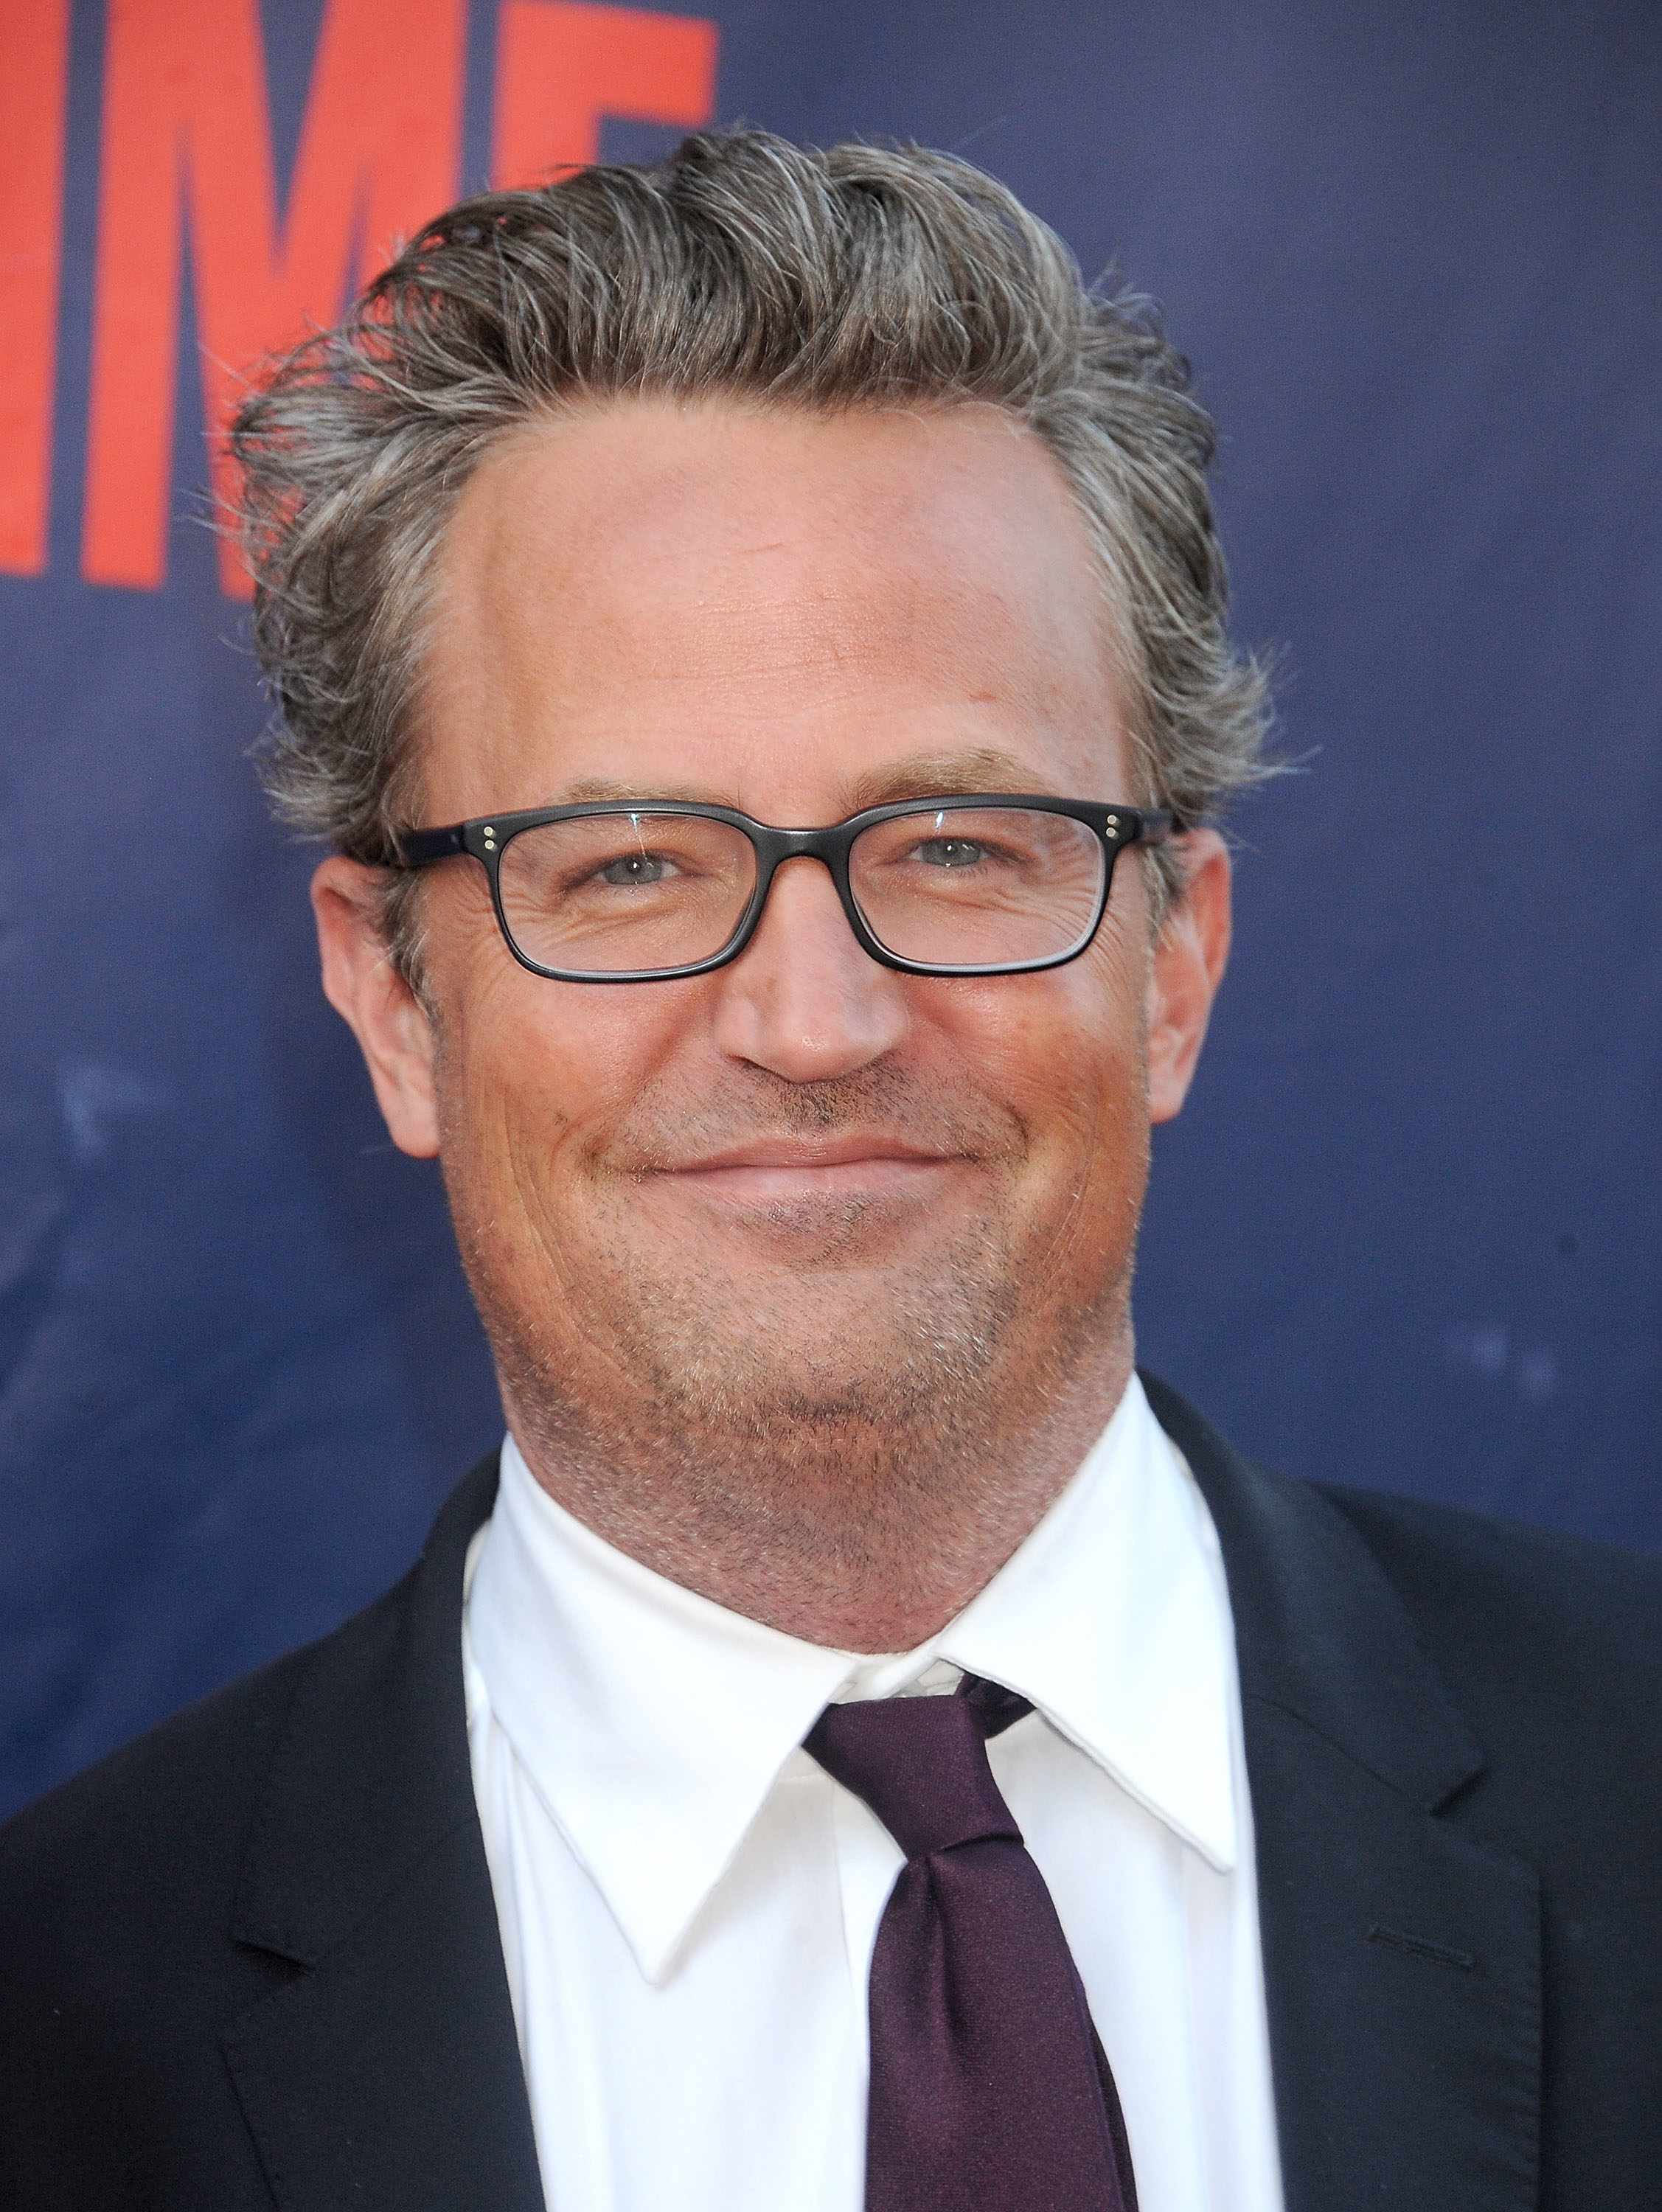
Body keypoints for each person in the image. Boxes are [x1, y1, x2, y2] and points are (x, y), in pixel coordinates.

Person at [1, 130, 1657, 2212]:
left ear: (1179, 963)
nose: (815, 1019)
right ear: (396, 1002)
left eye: (958, 847)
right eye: (622, 867)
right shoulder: (53, 2038)